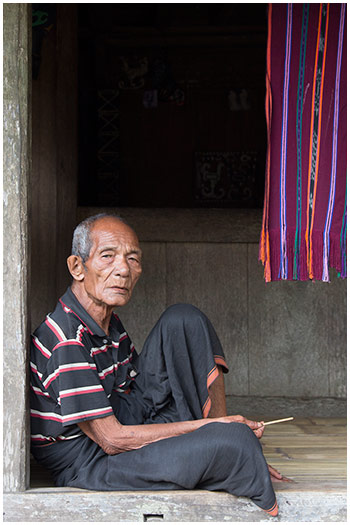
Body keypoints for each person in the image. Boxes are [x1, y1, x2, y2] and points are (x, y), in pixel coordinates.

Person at [30, 213, 285, 516]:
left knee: (184, 320)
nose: (123, 270)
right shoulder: (66, 341)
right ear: (77, 267)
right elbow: (112, 440)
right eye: (107, 257)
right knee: (235, 443)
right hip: (92, 461)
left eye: (133, 259)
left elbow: (141, 390)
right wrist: (212, 428)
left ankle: (213, 443)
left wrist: (214, 425)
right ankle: (218, 445)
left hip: (125, 415)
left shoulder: (107, 321)